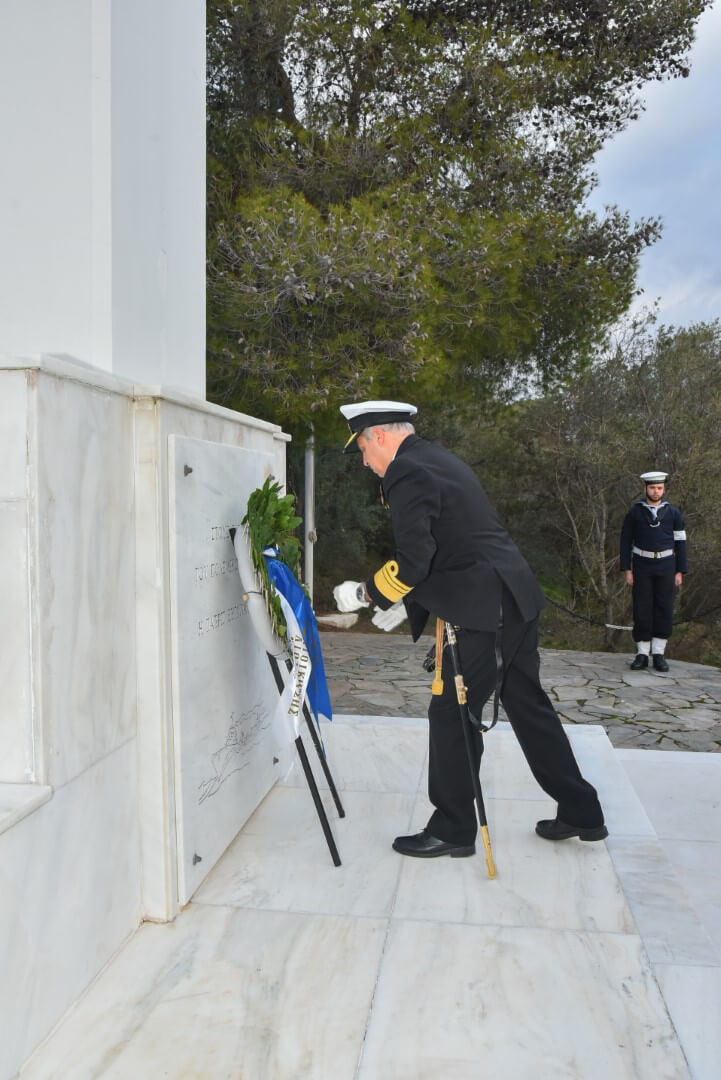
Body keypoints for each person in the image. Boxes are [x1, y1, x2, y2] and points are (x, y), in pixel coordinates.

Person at [332, 399, 607, 858]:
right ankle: (582, 810)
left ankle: (453, 829)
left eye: (362, 448)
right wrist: (407, 602)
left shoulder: (405, 471)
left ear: (378, 435)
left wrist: (364, 594)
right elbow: (451, 545)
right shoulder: (436, 458)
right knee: (528, 707)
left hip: (483, 611)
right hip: (512, 598)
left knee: (451, 714)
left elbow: (416, 560)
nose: (364, 461)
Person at [619, 471, 687, 673]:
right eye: (652, 488)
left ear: (663, 489)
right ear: (645, 488)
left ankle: (658, 653)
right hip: (641, 565)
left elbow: (681, 543)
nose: (656, 491)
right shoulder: (635, 513)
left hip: (667, 565)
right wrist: (627, 569)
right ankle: (642, 653)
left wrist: (680, 570)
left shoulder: (673, 513)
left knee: (664, 607)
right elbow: (625, 541)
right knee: (642, 607)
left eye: (659, 488)